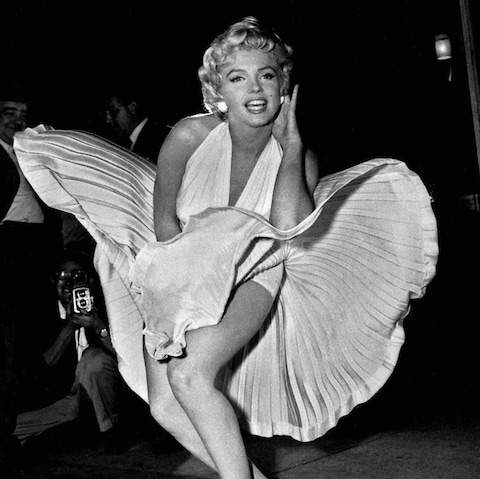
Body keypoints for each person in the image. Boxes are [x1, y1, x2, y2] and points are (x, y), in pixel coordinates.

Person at [13, 16, 438, 479]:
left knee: (189, 376)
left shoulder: (300, 157)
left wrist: (291, 147)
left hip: (257, 273)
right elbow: (163, 223)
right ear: (218, 88)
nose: (254, 89)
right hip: (179, 270)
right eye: (237, 78)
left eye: (267, 75)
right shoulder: (189, 136)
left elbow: (289, 229)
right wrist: (175, 302)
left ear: (284, 85)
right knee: (165, 406)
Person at [0, 88, 62, 475]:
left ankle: (16, 428)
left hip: (32, 256)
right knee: (7, 348)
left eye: (23, 113)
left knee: (24, 345)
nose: (17, 120)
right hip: (7, 252)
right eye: (9, 112)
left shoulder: (29, 153)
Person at [13, 249, 128, 454]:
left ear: (89, 280)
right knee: (13, 426)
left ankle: (112, 431)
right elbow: (41, 367)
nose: (69, 283)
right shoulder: (40, 314)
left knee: (94, 360)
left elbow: (127, 357)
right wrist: (69, 328)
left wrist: (99, 326)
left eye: (77, 276)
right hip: (65, 397)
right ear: (53, 282)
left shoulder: (107, 306)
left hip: (106, 391)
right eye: (62, 276)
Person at [104, 81, 171, 164]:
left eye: (114, 111)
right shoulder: (129, 143)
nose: (108, 119)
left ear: (132, 108)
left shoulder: (161, 139)